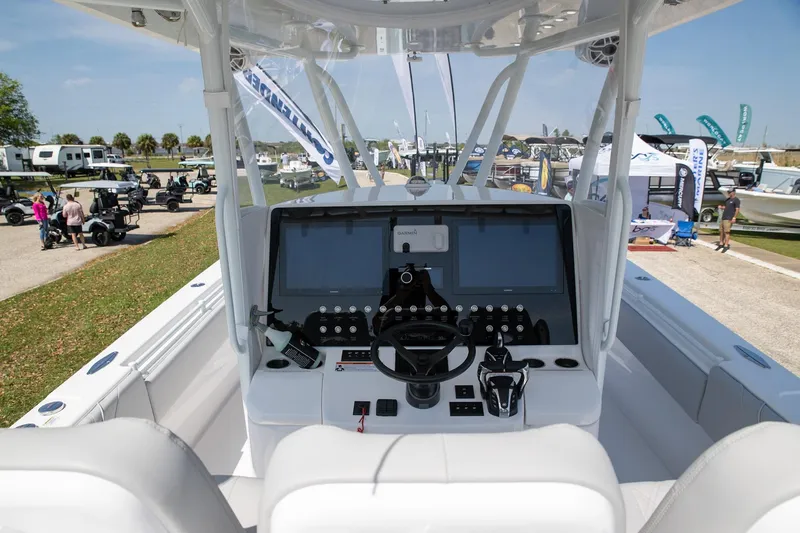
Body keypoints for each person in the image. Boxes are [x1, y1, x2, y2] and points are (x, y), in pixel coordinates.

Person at [717, 188, 740, 253]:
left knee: (726, 232)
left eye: (730, 192)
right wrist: (721, 207)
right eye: (728, 192)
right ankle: (721, 243)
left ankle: (726, 245)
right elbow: (726, 207)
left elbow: (737, 209)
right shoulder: (727, 200)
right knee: (721, 231)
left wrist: (734, 217)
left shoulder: (736, 200)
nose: (729, 193)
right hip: (723, 217)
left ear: (733, 192)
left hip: (729, 218)